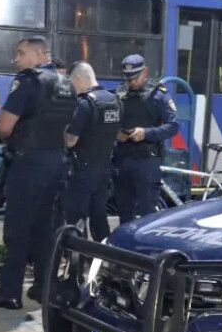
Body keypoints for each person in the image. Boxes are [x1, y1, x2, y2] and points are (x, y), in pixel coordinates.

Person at [0, 36, 76, 310]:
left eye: (21, 53)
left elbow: (4, 127)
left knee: (17, 230)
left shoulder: (30, 82)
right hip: (57, 163)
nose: (17, 59)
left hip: (29, 164)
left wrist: (10, 137)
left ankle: (9, 292)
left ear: (38, 54)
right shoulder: (68, 84)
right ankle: (44, 287)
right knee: (45, 228)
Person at [113, 54, 179, 223]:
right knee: (124, 211)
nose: (132, 82)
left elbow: (173, 126)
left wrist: (146, 133)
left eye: (135, 77)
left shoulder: (158, 95)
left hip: (147, 161)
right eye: (128, 79)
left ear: (145, 72)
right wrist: (115, 133)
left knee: (147, 213)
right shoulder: (120, 94)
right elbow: (110, 122)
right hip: (122, 159)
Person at [63, 61, 122, 242]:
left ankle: (79, 257)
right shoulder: (115, 101)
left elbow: (70, 142)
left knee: (77, 219)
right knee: (99, 217)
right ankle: (104, 254)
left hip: (81, 171)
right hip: (103, 170)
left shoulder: (84, 104)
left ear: (78, 78)